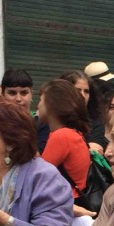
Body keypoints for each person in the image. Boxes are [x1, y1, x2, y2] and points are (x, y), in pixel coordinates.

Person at [38, 80, 95, 217]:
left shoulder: (61, 136)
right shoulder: (73, 133)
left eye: (41, 100)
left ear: (51, 105)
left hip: (66, 204)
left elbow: (39, 174)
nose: (38, 105)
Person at [58, 71, 107, 153]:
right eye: (78, 90)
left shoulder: (95, 122)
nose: (83, 96)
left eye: (86, 91)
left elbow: (95, 152)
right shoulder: (53, 118)